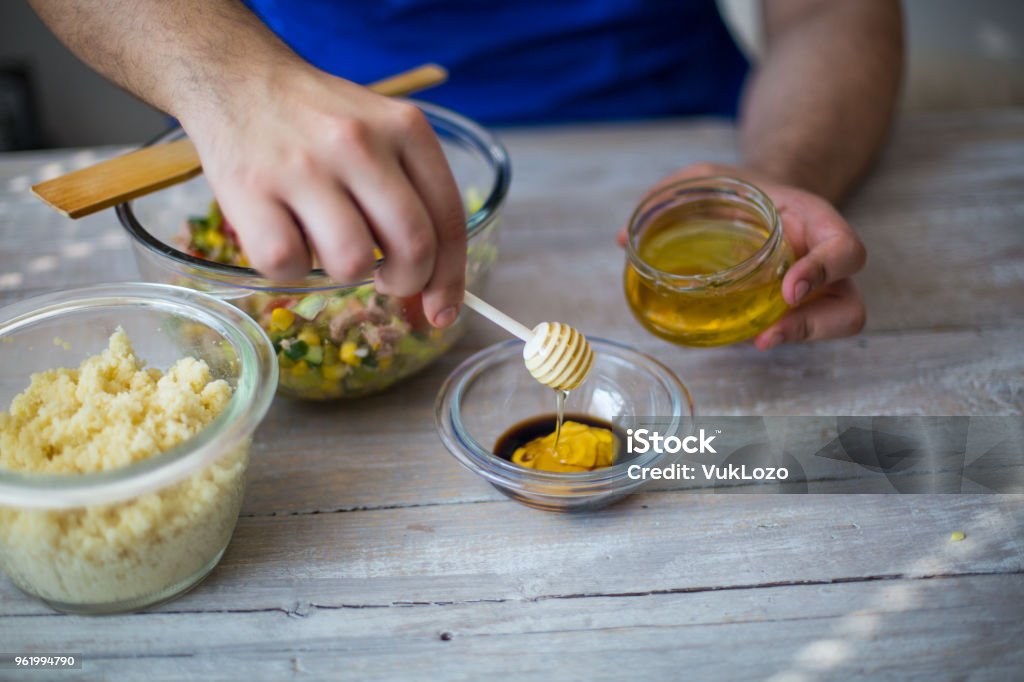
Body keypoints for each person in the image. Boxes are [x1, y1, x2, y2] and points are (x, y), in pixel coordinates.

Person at [29, 0, 902, 349]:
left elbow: (834, 12)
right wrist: (233, 82)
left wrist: (774, 174)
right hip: (282, 133)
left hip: (673, 132)